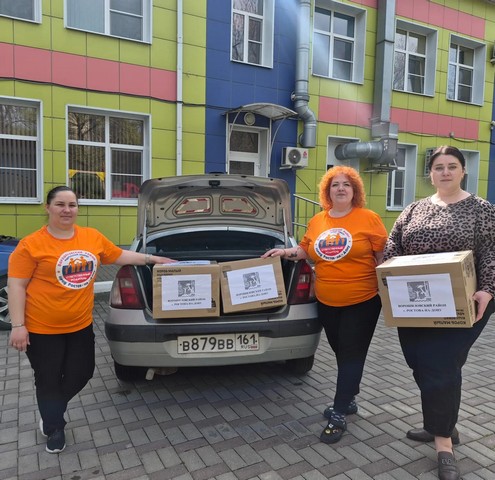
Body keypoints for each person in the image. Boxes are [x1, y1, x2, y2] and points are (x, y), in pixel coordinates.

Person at [8, 186, 176, 454]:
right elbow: (16, 286)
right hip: (42, 329)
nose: (67, 210)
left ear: (77, 208)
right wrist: (18, 326)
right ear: (47, 207)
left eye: (72, 205)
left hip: (80, 325)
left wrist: (152, 259)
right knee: (48, 378)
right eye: (60, 204)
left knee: (82, 372)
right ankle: (54, 426)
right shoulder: (31, 245)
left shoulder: (91, 237)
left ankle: (52, 410)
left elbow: (119, 255)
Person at [383, 146, 495, 480]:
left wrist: (488, 290)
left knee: (441, 365)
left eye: (452, 166)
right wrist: (387, 276)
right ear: (430, 174)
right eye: (438, 167)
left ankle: (443, 444)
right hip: (414, 303)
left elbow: (491, 252)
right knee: (418, 361)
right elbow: (393, 246)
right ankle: (441, 423)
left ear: (463, 171)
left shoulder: (481, 209)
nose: (445, 172)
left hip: (464, 302)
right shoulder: (413, 210)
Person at [262, 165, 387, 444]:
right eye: (335, 185)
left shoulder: (369, 218)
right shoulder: (319, 220)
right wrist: (284, 251)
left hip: (362, 300)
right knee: (341, 351)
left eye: (346, 184)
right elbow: (305, 249)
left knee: (352, 353)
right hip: (327, 300)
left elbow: (382, 257)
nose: (341, 188)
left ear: (355, 190)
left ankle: (339, 412)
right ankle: (349, 397)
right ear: (327, 191)